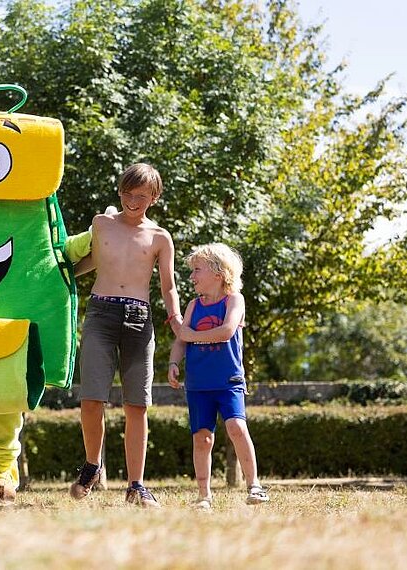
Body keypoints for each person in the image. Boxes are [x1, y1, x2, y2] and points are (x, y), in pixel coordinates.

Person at [69, 162, 183, 507]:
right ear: (120, 192)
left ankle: (136, 485)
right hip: (101, 313)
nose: (133, 201)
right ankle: (92, 465)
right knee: (91, 399)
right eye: (128, 194)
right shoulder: (101, 223)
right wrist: (57, 280)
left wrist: (176, 319)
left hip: (138, 317)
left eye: (142, 196)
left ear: (154, 197)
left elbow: (168, 285)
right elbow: (90, 261)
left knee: (137, 405)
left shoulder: (160, 237)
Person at [167, 243, 269, 509]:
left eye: (196, 270)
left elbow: (226, 331)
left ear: (218, 273)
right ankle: (204, 496)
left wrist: (191, 336)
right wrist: (174, 362)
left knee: (236, 427)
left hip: (228, 381)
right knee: (203, 438)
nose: (192, 277)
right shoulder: (192, 306)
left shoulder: (234, 299)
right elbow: (180, 340)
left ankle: (254, 486)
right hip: (198, 384)